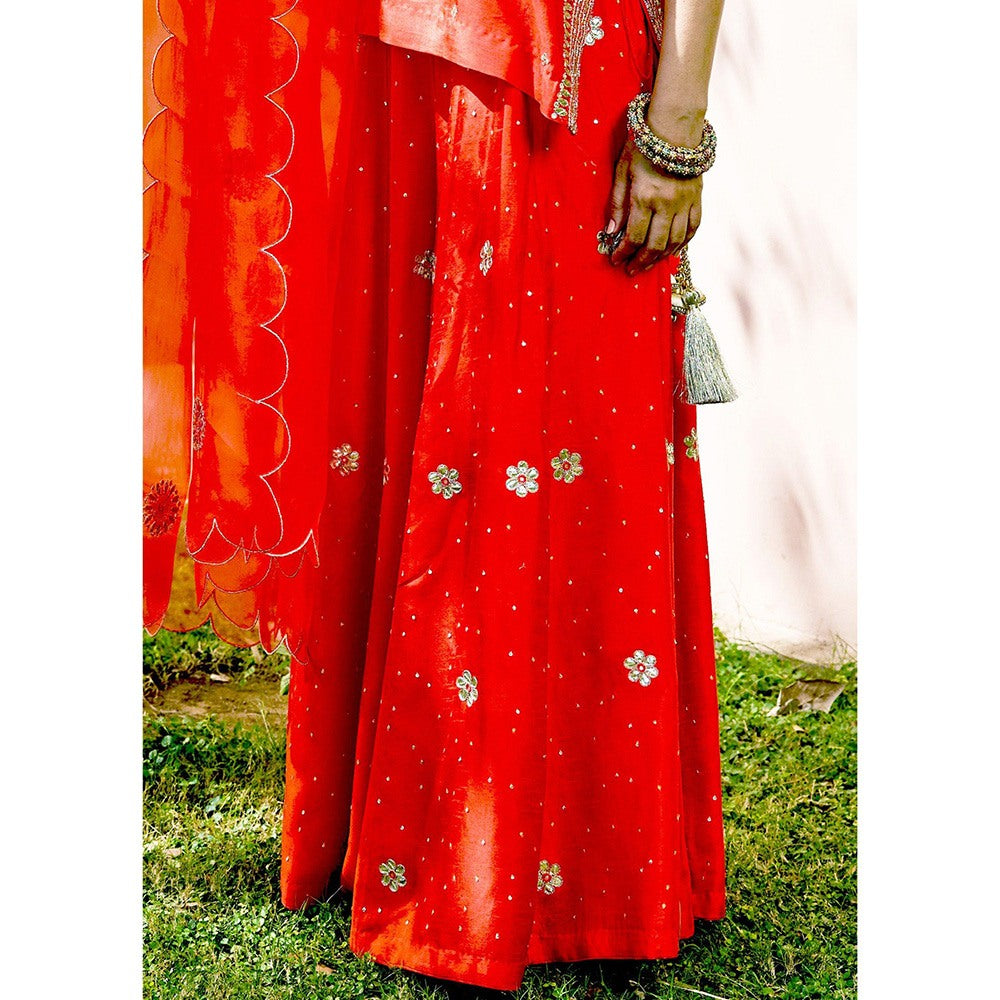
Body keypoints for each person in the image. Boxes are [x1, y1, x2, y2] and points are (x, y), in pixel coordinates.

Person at [143, 0, 728, 989]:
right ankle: (408, 844)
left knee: (553, 434)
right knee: (420, 417)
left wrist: (675, 124)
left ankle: (581, 875)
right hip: (407, 68)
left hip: (563, 77)